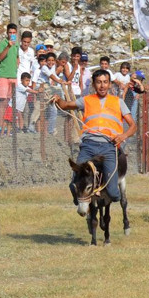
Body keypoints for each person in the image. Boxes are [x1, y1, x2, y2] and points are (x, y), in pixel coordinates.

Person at [52, 69, 137, 206]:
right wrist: (57, 99)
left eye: (105, 82)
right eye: (98, 82)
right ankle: (84, 201)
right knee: (73, 183)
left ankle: (102, 195)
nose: (102, 86)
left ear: (110, 84)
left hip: (109, 147)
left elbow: (133, 126)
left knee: (114, 194)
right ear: (93, 84)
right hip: (88, 146)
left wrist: (123, 136)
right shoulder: (86, 100)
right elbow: (65, 105)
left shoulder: (118, 102)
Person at [0, 23, 19, 135]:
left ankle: (8, 127)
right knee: (3, 101)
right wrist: (8, 46)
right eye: (10, 32)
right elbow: (0, 57)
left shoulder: (17, 44)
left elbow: (17, 57)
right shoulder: (3, 43)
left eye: (14, 33)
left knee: (10, 102)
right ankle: (0, 127)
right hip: (3, 75)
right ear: (7, 33)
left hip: (13, 76)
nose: (12, 34)